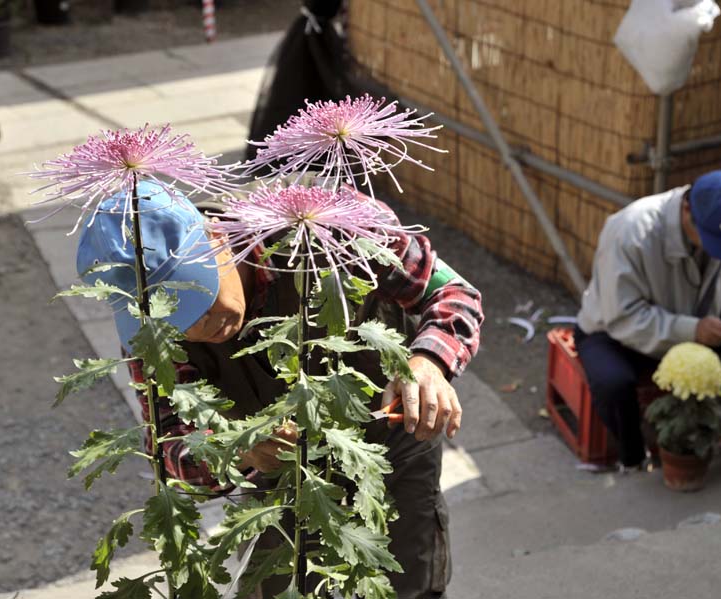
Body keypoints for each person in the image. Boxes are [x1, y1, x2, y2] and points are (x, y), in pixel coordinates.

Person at [75, 180, 484, 599]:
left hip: (392, 437)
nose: (196, 327)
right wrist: (231, 450)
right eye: (172, 317)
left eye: (195, 296)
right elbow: (166, 440)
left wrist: (429, 362)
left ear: (217, 236)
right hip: (280, 466)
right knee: (282, 585)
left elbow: (452, 292)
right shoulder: (148, 329)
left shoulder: (329, 221)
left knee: (408, 579)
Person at [575, 170, 721, 469]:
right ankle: (635, 460)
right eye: (714, 240)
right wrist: (693, 330)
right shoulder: (630, 231)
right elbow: (623, 316)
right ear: (687, 210)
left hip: (696, 322)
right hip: (617, 332)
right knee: (614, 385)